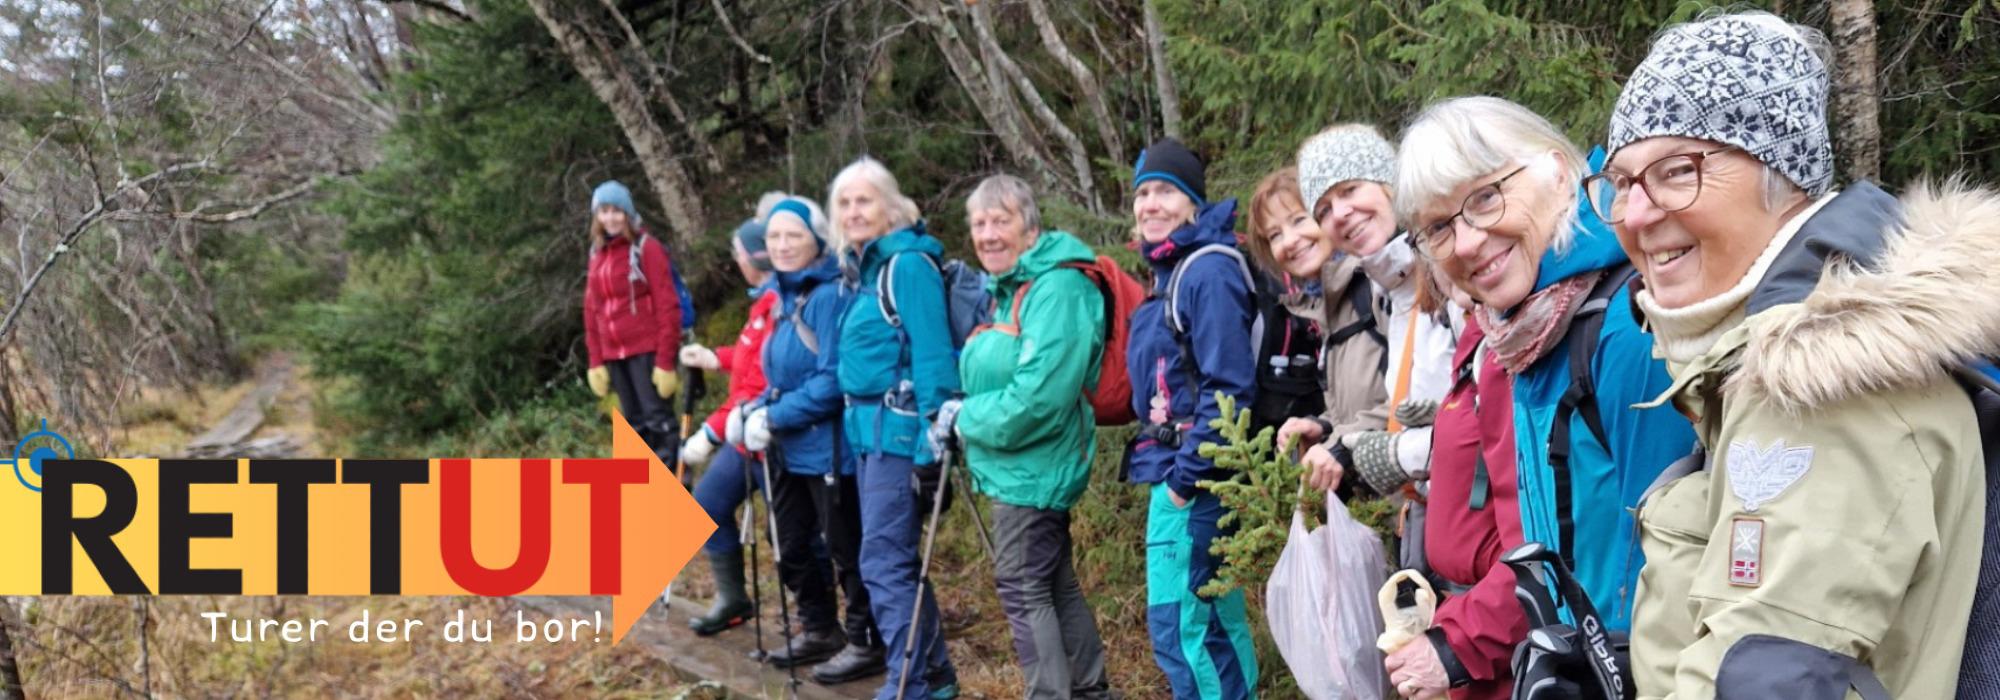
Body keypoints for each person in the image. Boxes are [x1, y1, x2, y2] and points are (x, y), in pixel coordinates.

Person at [1600, 13, 1989, 698]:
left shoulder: (1825, 387)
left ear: (1784, 175)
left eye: (1676, 171)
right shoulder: (1748, 367)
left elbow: (1764, 680)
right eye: (1622, 182)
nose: (1636, 214)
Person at [1386, 96, 1697, 697]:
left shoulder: (1625, 329)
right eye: (1440, 227)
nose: (1468, 242)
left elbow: (1677, 576)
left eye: (1484, 197)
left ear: (1558, 170)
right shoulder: (1527, 333)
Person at [928, 174, 1111, 700]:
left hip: (1035, 468)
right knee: (1053, 583)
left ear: (1030, 229)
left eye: (1000, 220)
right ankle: (1089, 692)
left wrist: (965, 418)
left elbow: (1041, 399)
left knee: (1023, 586)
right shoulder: (1013, 289)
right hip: (1021, 466)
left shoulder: (1057, 288)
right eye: (978, 223)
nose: (987, 234)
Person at [1292, 124, 1467, 575]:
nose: (1341, 214)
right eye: (1325, 208)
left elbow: (1487, 419)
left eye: (1351, 190)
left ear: (1390, 182)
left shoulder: (1452, 269)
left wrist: (1370, 451)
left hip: (1475, 515)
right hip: (1428, 514)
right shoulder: (1392, 286)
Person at [1122, 138, 1260, 699]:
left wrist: (1181, 483)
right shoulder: (1177, 271)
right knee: (1215, 622)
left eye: (1165, 191)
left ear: (1191, 204)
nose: (1150, 203)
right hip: (1191, 472)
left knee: (1180, 630)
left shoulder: (1204, 273)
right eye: (1142, 192)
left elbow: (1229, 388)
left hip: (1192, 477)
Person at [734, 193, 888, 682]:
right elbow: (781, 375)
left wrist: (775, 415)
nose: (781, 245)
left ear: (818, 240)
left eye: (793, 236)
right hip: (787, 447)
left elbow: (833, 378)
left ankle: (867, 640)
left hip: (828, 447)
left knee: (846, 548)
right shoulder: (783, 296)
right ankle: (820, 627)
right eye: (774, 236)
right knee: (790, 544)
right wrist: (754, 409)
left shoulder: (830, 294)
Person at [831, 156, 960, 700]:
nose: (854, 211)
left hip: (901, 437)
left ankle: (909, 684)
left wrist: (935, 447)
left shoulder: (906, 265)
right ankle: (931, 675)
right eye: (844, 202)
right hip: (869, 437)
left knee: (882, 561)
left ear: (889, 205)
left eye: (864, 200)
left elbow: (933, 356)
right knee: (888, 560)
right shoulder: (867, 270)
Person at [1245, 167, 1388, 478]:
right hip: (1383, 504)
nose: (1290, 241)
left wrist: (1340, 447)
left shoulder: (1379, 285)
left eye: (1298, 220)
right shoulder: (1330, 308)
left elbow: (1420, 400)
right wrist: (1321, 426)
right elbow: (1362, 403)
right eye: (1275, 235)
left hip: (1419, 499)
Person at [680, 216, 781, 637]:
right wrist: (715, 358)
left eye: (738, 252)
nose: (735, 259)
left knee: (793, 541)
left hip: (774, 439)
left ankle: (823, 626)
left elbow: (762, 381)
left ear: (754, 256)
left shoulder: (779, 303)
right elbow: (748, 361)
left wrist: (708, 434)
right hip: (743, 440)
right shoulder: (761, 302)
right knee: (706, 504)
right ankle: (733, 598)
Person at [582, 180, 684, 462]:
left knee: (659, 422)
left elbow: (668, 306)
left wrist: (665, 361)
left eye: (616, 211)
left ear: (627, 213)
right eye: (603, 211)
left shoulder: (646, 248)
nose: (610, 218)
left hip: (647, 352)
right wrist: (596, 360)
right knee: (634, 427)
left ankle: (676, 492)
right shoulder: (596, 253)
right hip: (615, 355)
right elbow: (592, 310)